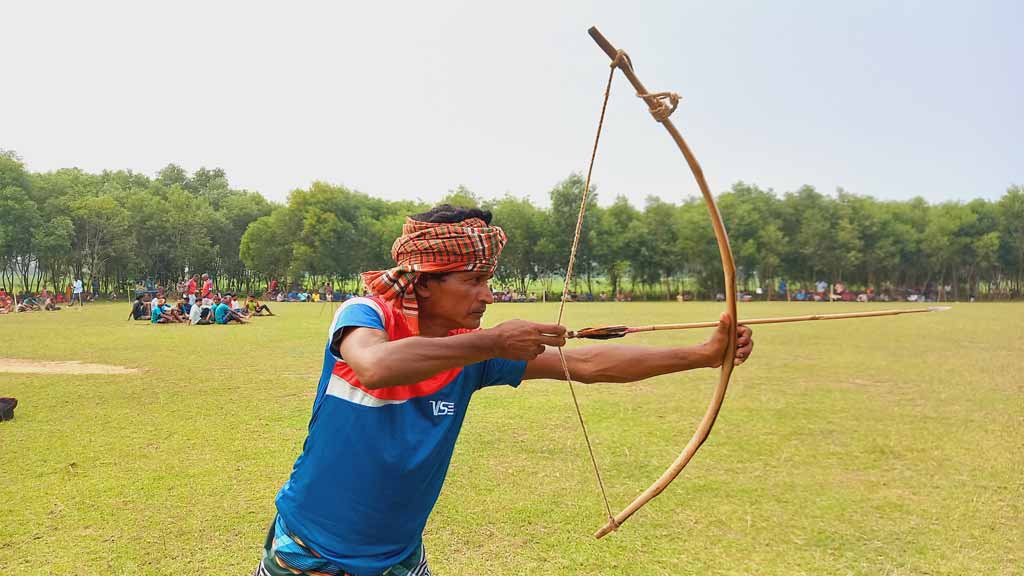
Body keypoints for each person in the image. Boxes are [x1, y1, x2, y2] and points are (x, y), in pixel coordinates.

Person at [255, 205, 755, 576]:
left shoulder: (470, 352)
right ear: (424, 282)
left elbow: (585, 363)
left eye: (489, 280)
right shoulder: (365, 315)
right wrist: (492, 340)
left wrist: (704, 355)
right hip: (308, 550)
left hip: (399, 559)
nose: (487, 295)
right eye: (473, 281)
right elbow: (375, 366)